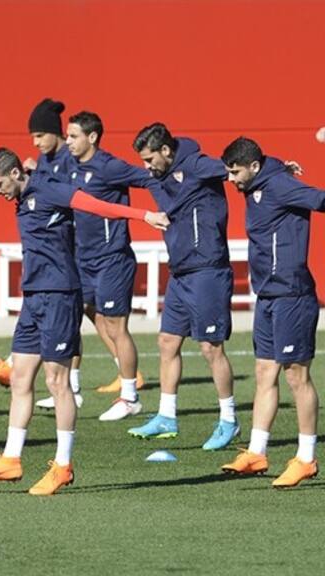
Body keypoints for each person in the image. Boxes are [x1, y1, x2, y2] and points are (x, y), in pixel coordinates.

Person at [0, 148, 168, 495]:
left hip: (61, 295)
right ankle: (11, 459)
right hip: (34, 297)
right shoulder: (28, 189)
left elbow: (94, 205)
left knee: (57, 383)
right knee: (19, 378)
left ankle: (63, 465)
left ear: (15, 174)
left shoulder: (48, 189)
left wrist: (143, 214)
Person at [0, 100, 145, 403]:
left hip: (100, 255)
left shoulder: (84, 163)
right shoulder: (43, 167)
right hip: (74, 256)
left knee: (107, 321)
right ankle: (65, 383)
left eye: (41, 135)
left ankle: (126, 384)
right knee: (82, 314)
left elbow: (95, 196)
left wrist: (146, 213)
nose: (37, 142)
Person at [128, 123, 239, 450]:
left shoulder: (196, 165)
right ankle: (166, 416)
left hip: (208, 269)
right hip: (180, 273)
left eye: (150, 158)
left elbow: (237, 167)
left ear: (166, 150)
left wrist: (277, 168)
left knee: (210, 348)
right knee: (167, 341)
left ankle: (229, 420)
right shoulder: (157, 175)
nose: (147, 166)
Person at [220, 137, 322, 487]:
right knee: (265, 372)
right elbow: (268, 166)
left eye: (235, 173)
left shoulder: (279, 185)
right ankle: (257, 451)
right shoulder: (259, 180)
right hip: (267, 296)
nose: (230, 179)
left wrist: (283, 171)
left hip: (293, 295)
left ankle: (306, 458)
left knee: (296, 376)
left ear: (253, 167)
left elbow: (320, 199)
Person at [65, 111, 164, 421]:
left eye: (73, 136)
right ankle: (72, 391)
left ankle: (130, 396)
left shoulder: (110, 167)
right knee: (78, 315)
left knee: (116, 327)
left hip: (112, 259)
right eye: (67, 136)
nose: (68, 142)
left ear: (91, 137)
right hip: (83, 259)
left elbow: (149, 178)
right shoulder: (71, 167)